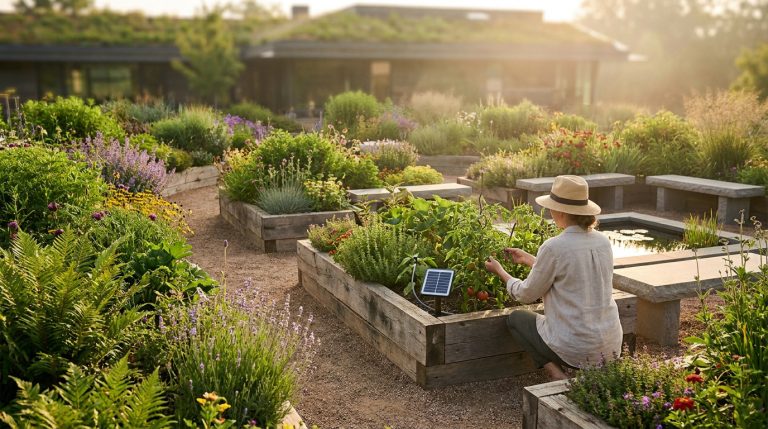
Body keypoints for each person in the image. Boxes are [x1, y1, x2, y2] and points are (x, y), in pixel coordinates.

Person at [484, 175, 623, 380]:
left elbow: (525, 294)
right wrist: (530, 259)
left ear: (559, 212)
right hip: (610, 344)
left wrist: (501, 272)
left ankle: (558, 376)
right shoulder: (602, 242)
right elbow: (574, 272)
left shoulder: (554, 247)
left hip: (576, 347)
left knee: (516, 319)